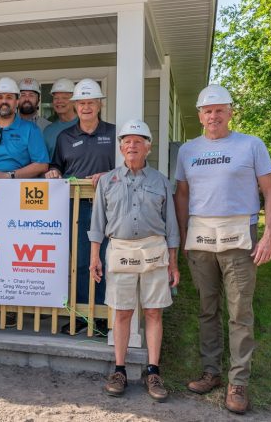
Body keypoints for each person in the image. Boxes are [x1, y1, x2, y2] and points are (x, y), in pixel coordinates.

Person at [176, 84, 271, 415]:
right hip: (201, 235)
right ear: (199, 116)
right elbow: (181, 194)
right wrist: (181, 235)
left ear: (231, 112)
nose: (214, 116)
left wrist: (269, 234)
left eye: (220, 109)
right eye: (208, 111)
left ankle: (239, 382)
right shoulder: (188, 151)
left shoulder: (251, 145)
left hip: (239, 234)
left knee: (239, 311)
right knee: (207, 307)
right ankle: (211, 372)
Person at [89, 120, 179, 402]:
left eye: (138, 141)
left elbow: (172, 226)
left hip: (154, 250)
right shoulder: (108, 181)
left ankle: (153, 371)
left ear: (148, 147)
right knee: (123, 312)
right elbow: (97, 223)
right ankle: (119, 370)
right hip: (120, 250)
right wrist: (94, 256)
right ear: (120, 148)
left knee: (153, 311)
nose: (132, 146)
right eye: (126, 142)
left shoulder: (161, 182)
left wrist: (173, 263)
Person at [46, 78, 116, 328]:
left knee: (105, 258)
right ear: (75, 107)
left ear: (99, 105)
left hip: (108, 207)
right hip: (77, 207)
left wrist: (108, 175)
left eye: (91, 102)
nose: (86, 107)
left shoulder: (113, 133)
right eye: (82, 103)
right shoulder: (65, 137)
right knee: (80, 260)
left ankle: (101, 316)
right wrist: (53, 172)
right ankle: (81, 315)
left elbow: (127, 168)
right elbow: (56, 165)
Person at [43, 78, 78, 157]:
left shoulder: (84, 125)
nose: (59, 101)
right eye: (56, 98)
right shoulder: (48, 130)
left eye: (65, 98)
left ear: (74, 101)